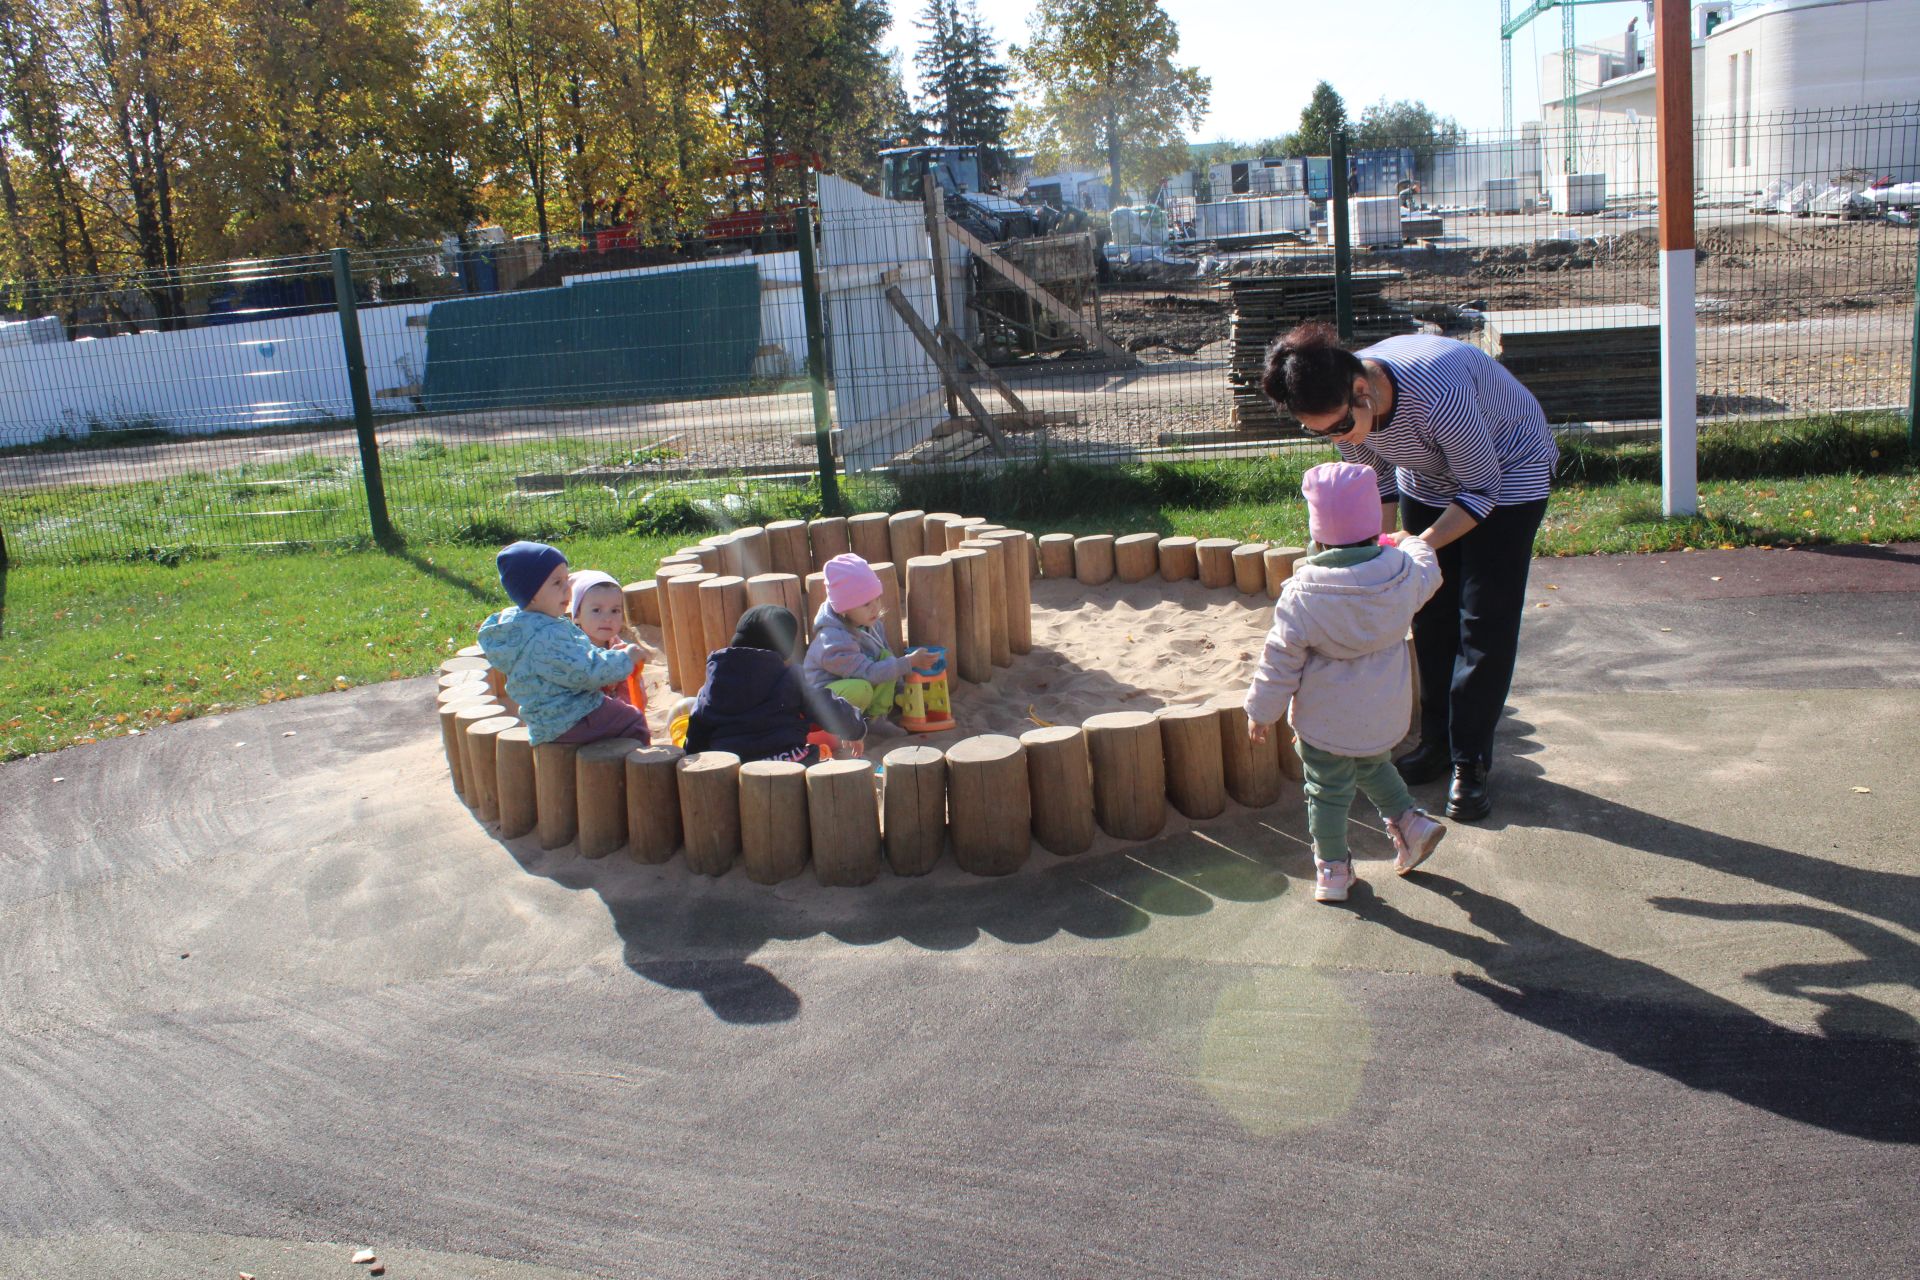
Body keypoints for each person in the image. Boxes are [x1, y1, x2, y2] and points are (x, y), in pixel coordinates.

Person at [1261, 321, 1558, 821]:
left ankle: (1470, 762)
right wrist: (1378, 558)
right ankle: (1437, 744)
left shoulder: (1438, 394)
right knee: (1429, 614)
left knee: (1483, 620)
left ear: (1362, 390)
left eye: (1338, 427)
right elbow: (1373, 481)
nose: (1337, 437)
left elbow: (1482, 488)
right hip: (1429, 479)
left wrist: (1416, 547)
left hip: (1508, 478)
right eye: (1321, 433)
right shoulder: (1345, 405)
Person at [1244, 462, 1448, 903]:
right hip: (1383, 710)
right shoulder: (1401, 574)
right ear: (1374, 525)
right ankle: (1411, 824)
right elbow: (1428, 571)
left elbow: (1279, 658)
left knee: (1327, 791)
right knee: (1373, 763)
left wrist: (1261, 712)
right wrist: (1410, 543)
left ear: (1317, 534)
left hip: (1326, 721)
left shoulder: (1303, 593)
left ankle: (1333, 870)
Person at [477, 541, 651, 746]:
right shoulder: (545, 636)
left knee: (616, 712)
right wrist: (625, 658)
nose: (567, 590)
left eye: (567, 581)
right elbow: (586, 671)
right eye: (557, 583)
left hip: (547, 721)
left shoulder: (522, 628)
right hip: (573, 717)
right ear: (531, 593)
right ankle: (637, 767)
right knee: (632, 720)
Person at [685, 604, 867, 764]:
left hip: (733, 765)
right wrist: (856, 730)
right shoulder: (790, 677)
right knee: (810, 755)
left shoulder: (714, 683)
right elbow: (827, 707)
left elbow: (697, 726)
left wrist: (692, 754)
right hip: (784, 760)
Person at [803, 553, 938, 735]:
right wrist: (910, 662)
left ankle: (875, 719)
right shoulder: (833, 640)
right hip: (823, 703)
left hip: (856, 683)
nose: (875, 607)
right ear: (843, 609)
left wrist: (901, 691)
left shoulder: (871, 625)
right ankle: (844, 728)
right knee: (862, 689)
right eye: (866, 604)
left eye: (877, 599)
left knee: (886, 658)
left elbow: (887, 662)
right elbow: (868, 673)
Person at [568, 569, 661, 714]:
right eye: (597, 610)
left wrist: (632, 665)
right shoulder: (575, 648)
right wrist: (617, 664)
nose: (607, 618)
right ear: (577, 615)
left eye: (615, 611)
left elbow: (635, 695)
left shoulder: (614, 643)